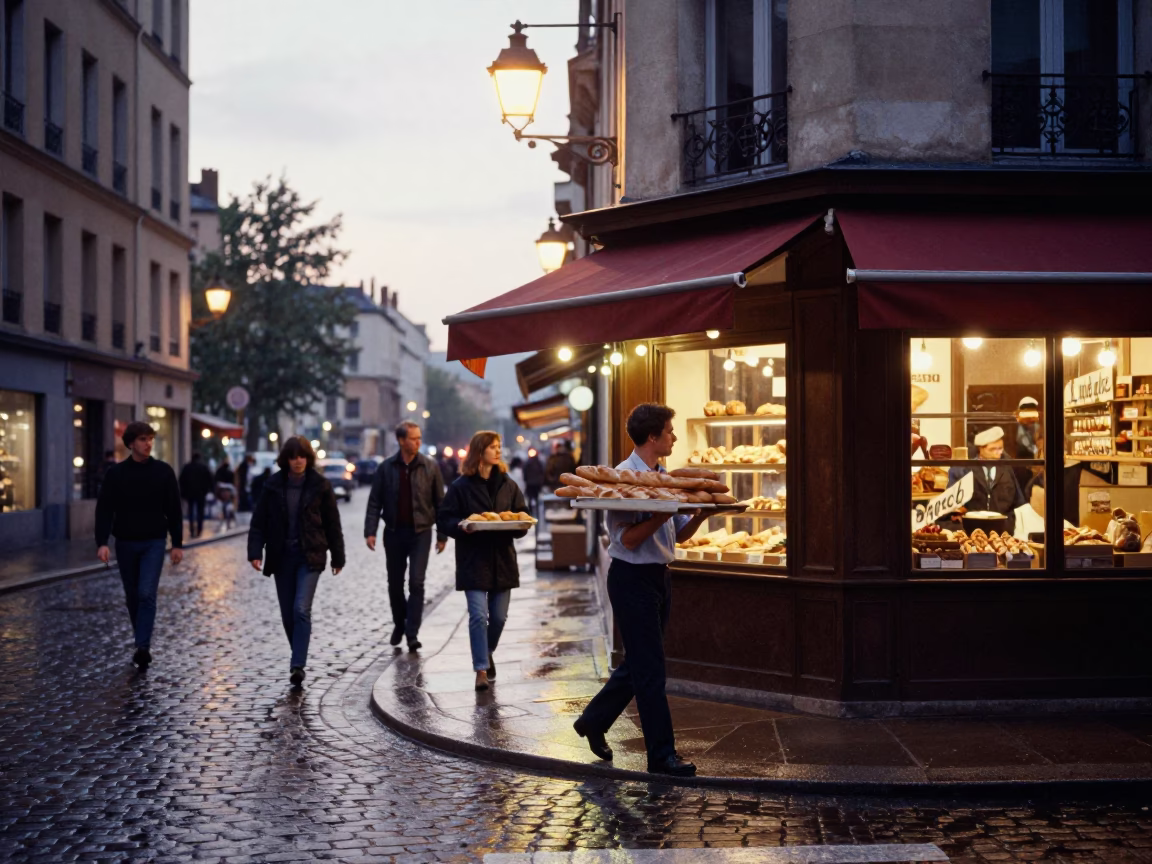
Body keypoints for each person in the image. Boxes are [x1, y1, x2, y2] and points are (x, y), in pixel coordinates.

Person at [572, 404, 710, 777]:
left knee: (640, 664)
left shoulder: (664, 477)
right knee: (651, 670)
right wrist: (661, 515)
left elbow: (677, 533)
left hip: (660, 577)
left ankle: (593, 720)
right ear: (653, 437)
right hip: (631, 579)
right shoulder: (620, 481)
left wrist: (701, 516)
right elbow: (628, 541)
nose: (674, 437)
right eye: (670, 431)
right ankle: (662, 756)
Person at [247, 436, 345, 687]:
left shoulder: (320, 485)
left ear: (308, 458)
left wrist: (338, 555)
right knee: (288, 614)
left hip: (309, 555)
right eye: (293, 456)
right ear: (286, 459)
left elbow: (332, 523)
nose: (298, 461)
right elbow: (259, 522)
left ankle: (297, 665)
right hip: (282, 557)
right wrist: (255, 551)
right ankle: (298, 654)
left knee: (301, 609)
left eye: (302, 456)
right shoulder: (273, 485)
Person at [437, 430, 529, 691]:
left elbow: (523, 514)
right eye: (492, 446)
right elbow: (444, 519)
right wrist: (461, 526)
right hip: (473, 560)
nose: (498, 450)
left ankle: (486, 651)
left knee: (498, 618)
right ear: (479, 451)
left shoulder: (507, 483)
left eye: (499, 446)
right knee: (478, 615)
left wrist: (519, 525)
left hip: (503, 560)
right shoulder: (460, 487)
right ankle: (480, 669)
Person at [94, 421, 184, 670]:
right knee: (133, 596)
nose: (148, 443)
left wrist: (177, 543)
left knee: (146, 593)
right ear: (131, 443)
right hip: (125, 542)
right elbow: (104, 510)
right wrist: (102, 542)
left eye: (151, 438)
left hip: (154, 542)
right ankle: (141, 641)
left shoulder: (164, 472)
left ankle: (142, 646)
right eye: (143, 439)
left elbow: (174, 511)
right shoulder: (116, 474)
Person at [364, 422, 447, 652]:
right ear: (401, 441)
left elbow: (440, 503)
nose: (418, 442)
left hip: (421, 532)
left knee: (416, 582)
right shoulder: (386, 468)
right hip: (393, 532)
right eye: (413, 438)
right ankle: (399, 623)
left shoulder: (430, 467)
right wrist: (370, 531)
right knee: (395, 584)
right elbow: (374, 501)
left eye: (420, 438)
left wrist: (442, 534)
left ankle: (412, 632)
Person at [948, 425, 1026, 534]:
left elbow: (1019, 502)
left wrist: (1012, 522)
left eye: (1000, 448)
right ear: (981, 449)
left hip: (1004, 530)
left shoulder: (1007, 469)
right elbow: (952, 504)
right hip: (973, 529)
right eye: (993, 449)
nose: (998, 452)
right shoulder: (965, 470)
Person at [179, 452, 214, 538]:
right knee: (200, 512)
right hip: (201, 493)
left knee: (191, 511)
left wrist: (183, 492)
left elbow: (181, 480)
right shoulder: (203, 467)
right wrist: (207, 490)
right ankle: (199, 529)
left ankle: (192, 529)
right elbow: (210, 480)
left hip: (190, 493)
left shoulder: (187, 467)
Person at [522, 451, 544, 516]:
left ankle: (533, 510)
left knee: (533, 497)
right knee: (531, 498)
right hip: (532, 483)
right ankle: (531, 510)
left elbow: (542, 472)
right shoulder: (530, 462)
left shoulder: (537, 462)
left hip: (533, 483)